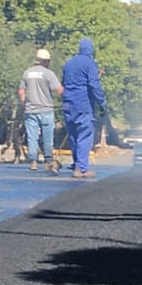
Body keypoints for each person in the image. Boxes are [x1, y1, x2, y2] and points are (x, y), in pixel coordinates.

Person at [61, 37, 107, 179]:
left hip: (68, 103)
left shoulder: (68, 63)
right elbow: (94, 84)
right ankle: (81, 169)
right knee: (84, 134)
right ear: (91, 49)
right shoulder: (90, 63)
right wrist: (102, 102)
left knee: (74, 135)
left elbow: (64, 82)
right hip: (83, 104)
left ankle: (76, 164)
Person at [20, 48, 63, 173]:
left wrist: (24, 104)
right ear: (46, 61)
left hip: (30, 110)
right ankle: (48, 161)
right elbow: (59, 90)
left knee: (32, 137)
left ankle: (33, 162)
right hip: (46, 110)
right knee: (47, 137)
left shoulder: (27, 73)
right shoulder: (48, 73)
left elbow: (21, 91)